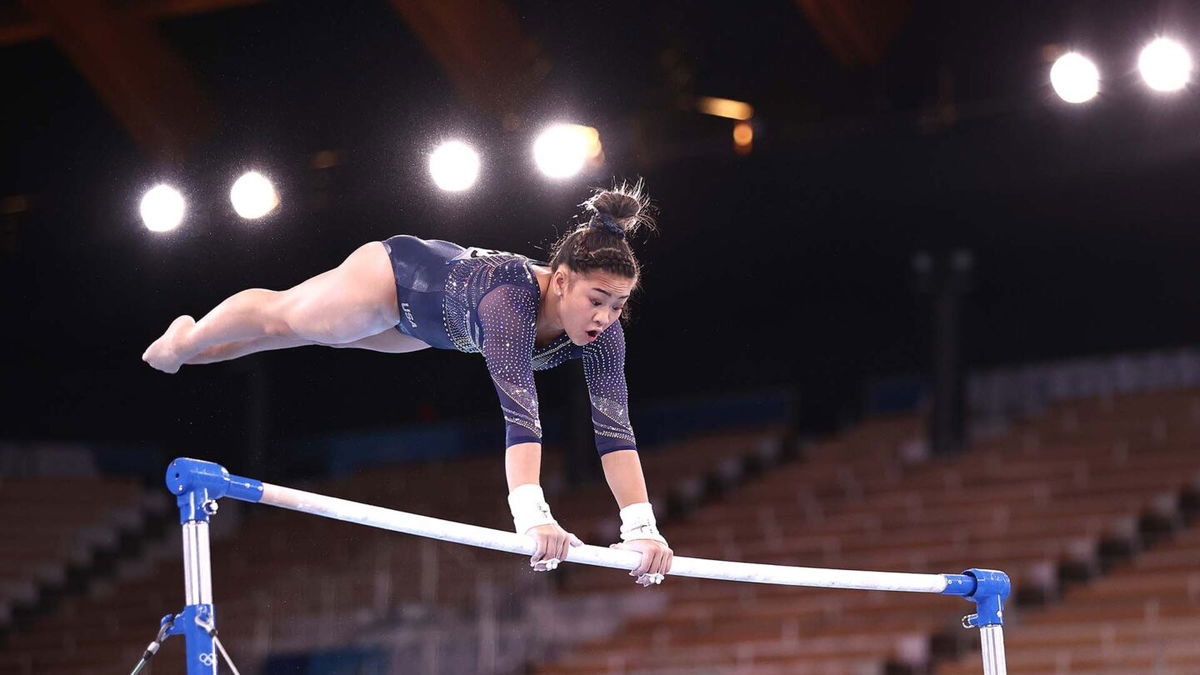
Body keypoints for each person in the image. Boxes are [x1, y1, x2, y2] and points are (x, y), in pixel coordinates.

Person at [142, 181, 673, 586]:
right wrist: (532, 518)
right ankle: (184, 341)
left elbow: (615, 431)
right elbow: (521, 415)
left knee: (292, 340)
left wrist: (642, 527)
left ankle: (200, 352)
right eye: (596, 300)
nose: (605, 316)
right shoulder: (513, 302)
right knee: (286, 319)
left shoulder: (605, 336)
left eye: (618, 304)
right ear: (560, 280)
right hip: (397, 281)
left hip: (433, 331)